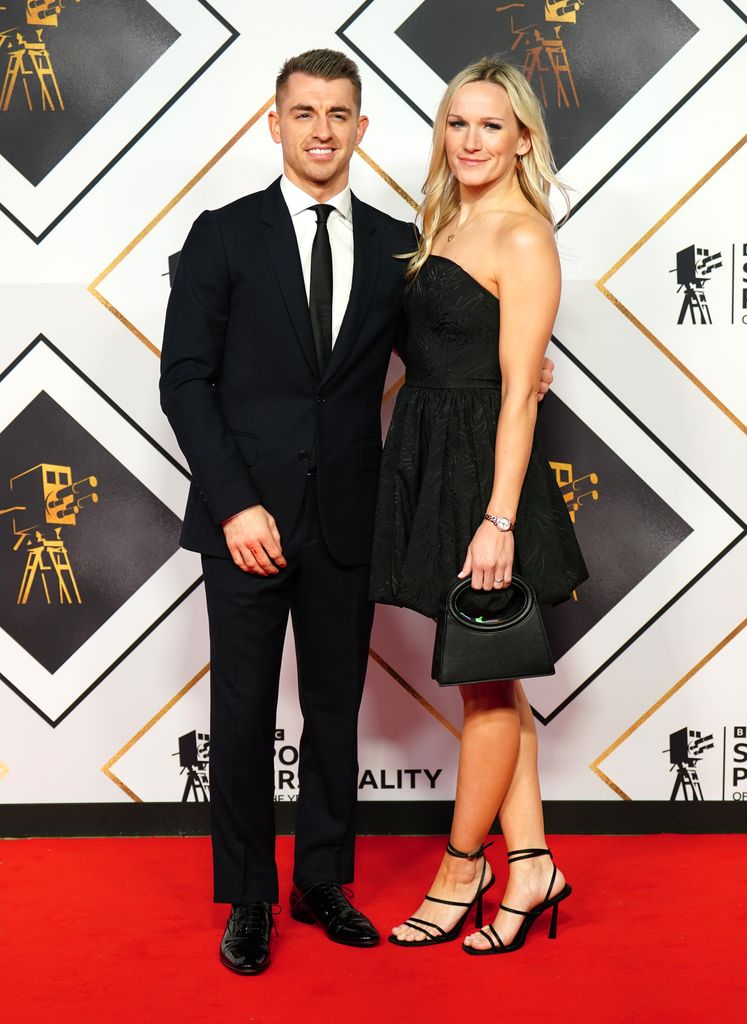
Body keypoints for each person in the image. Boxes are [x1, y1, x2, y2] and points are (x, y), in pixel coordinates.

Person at [160, 49, 554, 975]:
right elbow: (183, 384)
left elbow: (455, 350)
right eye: (304, 113)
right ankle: (251, 898)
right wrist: (235, 506)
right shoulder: (221, 235)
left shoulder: (397, 247)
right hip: (243, 521)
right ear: (275, 123)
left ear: (363, 129)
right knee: (244, 711)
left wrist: (526, 366)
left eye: (340, 113)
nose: (322, 130)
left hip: (351, 514)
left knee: (334, 708)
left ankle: (321, 881)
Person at [369, 57, 587, 955]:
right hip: (429, 454)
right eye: (457, 123)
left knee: (485, 679)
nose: (469, 141)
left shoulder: (523, 236)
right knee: (490, 677)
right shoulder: (443, 220)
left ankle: (464, 867)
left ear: (522, 138)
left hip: (484, 473)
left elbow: (516, 395)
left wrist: (497, 519)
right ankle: (531, 861)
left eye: (490, 126)